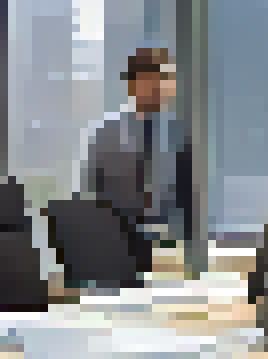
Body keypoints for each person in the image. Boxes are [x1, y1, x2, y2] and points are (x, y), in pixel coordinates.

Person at [79, 46, 191, 249]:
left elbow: (192, 201)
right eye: (149, 77)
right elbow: (91, 196)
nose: (157, 85)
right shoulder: (108, 134)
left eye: (164, 77)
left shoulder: (182, 136)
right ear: (132, 85)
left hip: (171, 243)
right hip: (117, 242)